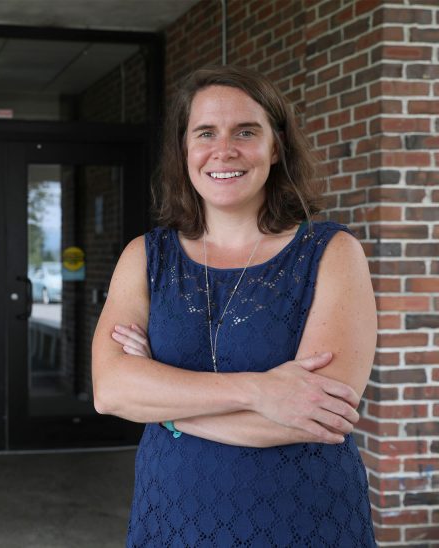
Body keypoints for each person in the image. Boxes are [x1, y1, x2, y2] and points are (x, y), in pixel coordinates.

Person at [92, 65, 377, 546]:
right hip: (172, 516)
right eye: (205, 133)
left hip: (301, 517)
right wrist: (260, 391)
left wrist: (161, 405)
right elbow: (111, 391)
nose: (224, 150)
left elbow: (318, 414)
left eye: (246, 131)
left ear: (276, 145)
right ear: (185, 149)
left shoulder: (331, 252)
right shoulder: (147, 256)